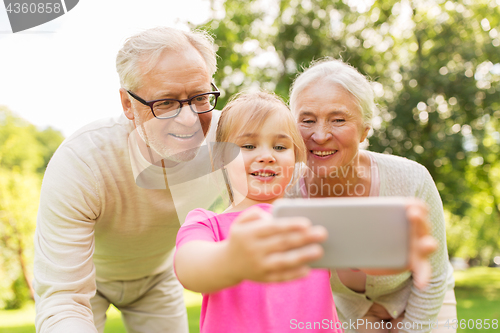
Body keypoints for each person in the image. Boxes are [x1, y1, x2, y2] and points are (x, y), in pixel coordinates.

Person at [288, 58, 457, 333]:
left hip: (426, 301)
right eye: (307, 120)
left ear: (365, 129)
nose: (319, 135)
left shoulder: (412, 179)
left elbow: (434, 275)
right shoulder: (284, 193)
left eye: (338, 120)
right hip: (349, 314)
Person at [174, 91, 343, 333]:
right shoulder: (206, 224)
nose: (266, 156)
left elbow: (365, 269)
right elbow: (189, 268)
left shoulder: (316, 222)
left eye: (280, 146)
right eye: (249, 145)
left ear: (295, 156)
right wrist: (232, 256)